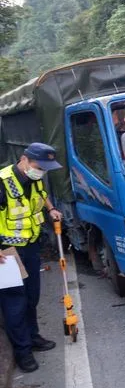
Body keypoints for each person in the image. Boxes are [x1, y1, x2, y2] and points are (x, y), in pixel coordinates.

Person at [0, 143, 63, 373]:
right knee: (14, 302)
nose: (42, 172)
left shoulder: (34, 179)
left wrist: (51, 209)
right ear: (24, 160)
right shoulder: (3, 181)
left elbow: (41, 196)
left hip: (30, 248)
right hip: (6, 253)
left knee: (31, 296)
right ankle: (23, 351)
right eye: (39, 166)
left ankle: (33, 336)